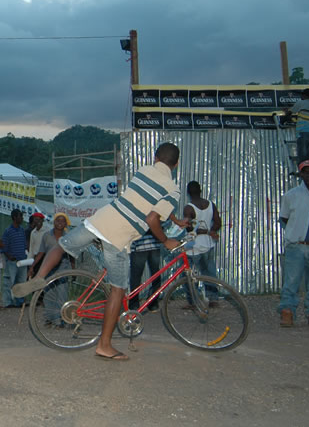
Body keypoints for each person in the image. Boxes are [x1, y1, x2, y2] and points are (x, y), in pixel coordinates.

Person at [14, 143, 184, 360]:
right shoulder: (173, 189)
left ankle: (39, 278)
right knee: (117, 290)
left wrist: (174, 218)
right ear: (176, 164)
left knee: (62, 245)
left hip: (99, 220)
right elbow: (152, 218)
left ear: (156, 158)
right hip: (119, 236)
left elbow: (148, 200)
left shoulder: (143, 172)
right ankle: (104, 345)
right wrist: (166, 240)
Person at [277, 159, 309, 327]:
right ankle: (287, 311)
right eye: (305, 172)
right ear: (300, 174)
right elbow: (284, 218)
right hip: (296, 245)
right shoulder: (291, 195)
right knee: (291, 281)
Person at [183, 181, 221, 306]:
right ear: (200, 190)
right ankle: (213, 298)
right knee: (209, 273)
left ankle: (193, 301)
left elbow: (189, 228)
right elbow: (217, 222)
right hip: (208, 244)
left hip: (193, 247)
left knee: (190, 275)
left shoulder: (189, 208)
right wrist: (211, 231)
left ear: (188, 193)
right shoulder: (210, 204)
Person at [32, 213, 75, 324]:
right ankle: (50, 318)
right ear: (54, 222)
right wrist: (32, 267)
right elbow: (41, 252)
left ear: (66, 223)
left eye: (62, 221)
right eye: (57, 221)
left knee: (62, 294)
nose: (60, 223)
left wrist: (74, 269)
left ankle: (61, 320)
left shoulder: (68, 237)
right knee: (49, 294)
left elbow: (72, 255)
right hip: (49, 269)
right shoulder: (46, 236)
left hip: (63, 268)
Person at [128, 231, 164, 312]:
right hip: (139, 246)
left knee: (156, 276)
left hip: (154, 245)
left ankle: (153, 302)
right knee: (136, 277)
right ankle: (134, 304)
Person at [0, 209, 28, 308]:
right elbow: (3, 246)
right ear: (14, 218)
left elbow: (24, 245)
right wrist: (8, 256)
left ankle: (19, 301)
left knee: (21, 282)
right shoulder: (8, 231)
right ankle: (7, 302)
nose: (22, 218)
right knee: (9, 282)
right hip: (12, 261)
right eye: (20, 216)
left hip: (22, 261)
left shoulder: (21, 230)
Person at [284, 88, 309, 165]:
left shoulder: (301, 103)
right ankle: (308, 173)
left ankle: (303, 173)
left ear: (304, 95)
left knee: (302, 157)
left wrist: (285, 111)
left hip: (303, 132)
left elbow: (290, 113)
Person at [26, 212, 47, 277]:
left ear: (42, 220)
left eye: (39, 219)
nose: (37, 221)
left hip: (45, 258)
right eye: (35, 219)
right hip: (35, 259)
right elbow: (31, 249)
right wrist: (29, 261)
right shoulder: (33, 232)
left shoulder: (47, 231)